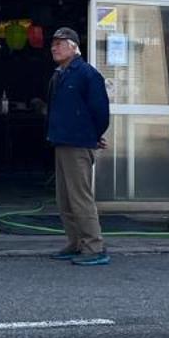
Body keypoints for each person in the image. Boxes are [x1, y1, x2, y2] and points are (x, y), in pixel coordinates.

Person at [46, 26, 111, 265]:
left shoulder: (86, 74)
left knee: (80, 197)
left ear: (73, 47)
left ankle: (94, 246)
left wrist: (94, 134)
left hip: (78, 143)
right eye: (53, 44)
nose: (54, 48)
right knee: (64, 198)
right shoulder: (59, 74)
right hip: (61, 141)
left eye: (60, 44)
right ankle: (75, 242)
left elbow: (101, 111)